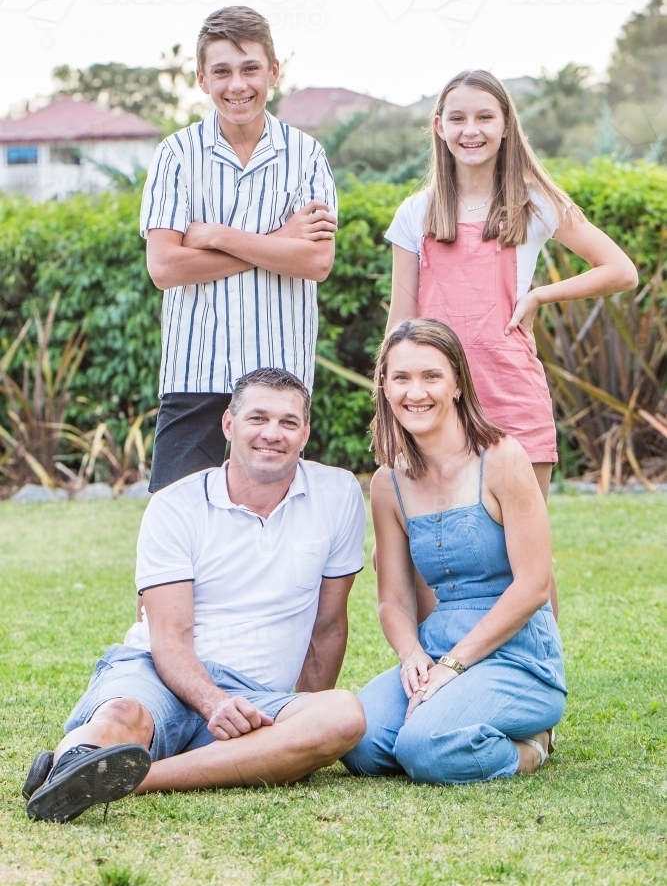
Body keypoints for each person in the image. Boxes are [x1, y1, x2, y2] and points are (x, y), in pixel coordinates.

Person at [24, 368, 366, 823]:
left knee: (342, 715)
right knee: (123, 714)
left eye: (288, 422)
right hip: (160, 671)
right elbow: (168, 637)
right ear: (228, 425)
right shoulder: (175, 506)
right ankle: (76, 763)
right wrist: (213, 703)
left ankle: (120, 779)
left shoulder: (338, 494)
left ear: (305, 433)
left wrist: (298, 727)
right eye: (257, 418)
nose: (272, 434)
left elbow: (328, 625)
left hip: (255, 700)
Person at [384, 69, 637, 620]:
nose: (470, 129)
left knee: (526, 555)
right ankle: (442, 677)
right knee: (439, 554)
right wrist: (393, 402)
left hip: (512, 395)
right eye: (457, 118)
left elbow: (621, 269)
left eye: (483, 117)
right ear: (438, 127)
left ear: (504, 126)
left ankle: (541, 675)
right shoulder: (416, 214)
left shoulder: (533, 203)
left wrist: (541, 295)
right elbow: (400, 319)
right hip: (433, 405)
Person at [342, 318, 566, 785]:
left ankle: (532, 745)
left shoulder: (503, 459)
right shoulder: (389, 483)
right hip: (438, 644)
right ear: (384, 386)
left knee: (424, 747)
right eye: (401, 377)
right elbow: (395, 599)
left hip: (517, 655)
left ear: (458, 384)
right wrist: (412, 657)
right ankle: (448, 725)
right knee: (358, 740)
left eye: (431, 376)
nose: (414, 392)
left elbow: (532, 587)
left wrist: (454, 666)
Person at [141, 5, 338, 493]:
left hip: (280, 373)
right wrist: (277, 242)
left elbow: (315, 261)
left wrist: (216, 235)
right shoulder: (176, 154)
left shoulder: (306, 155)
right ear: (202, 79)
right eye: (222, 71)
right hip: (195, 369)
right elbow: (165, 266)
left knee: (276, 520)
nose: (237, 85)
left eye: (250, 68)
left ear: (273, 71)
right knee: (178, 518)